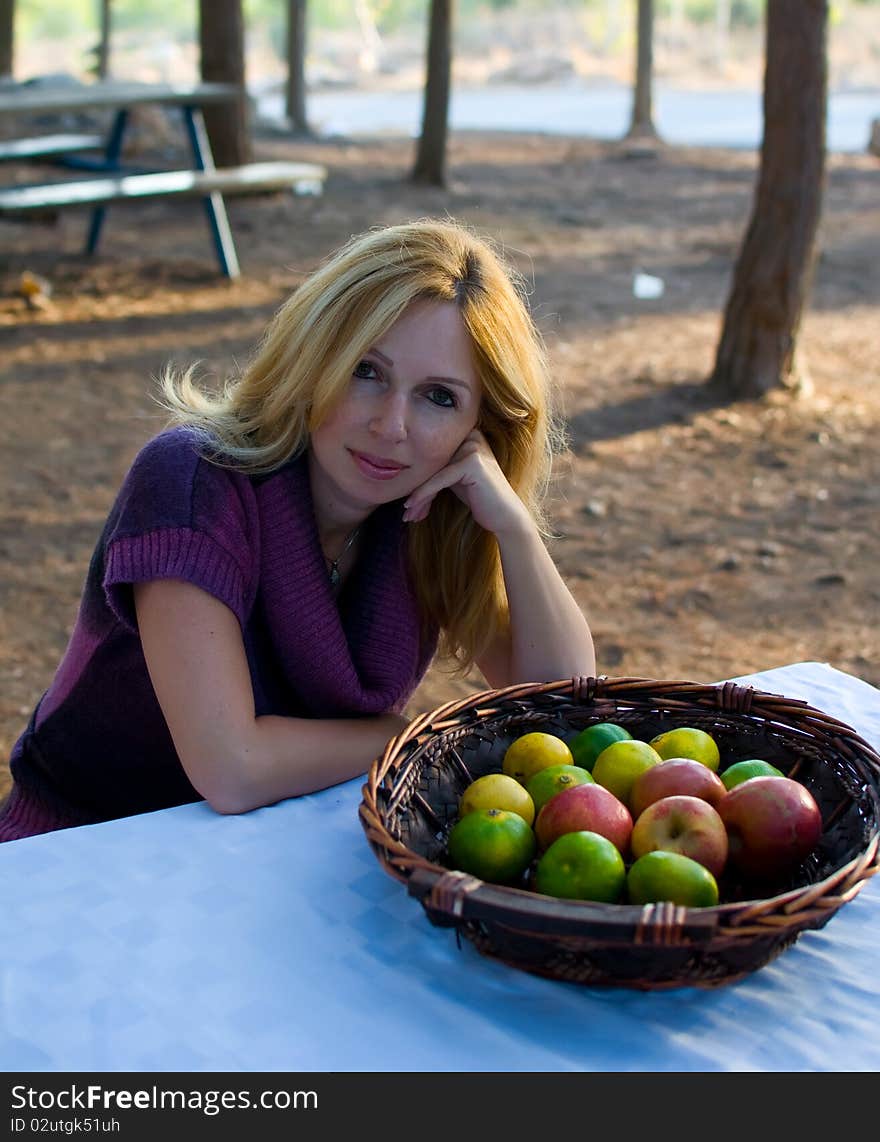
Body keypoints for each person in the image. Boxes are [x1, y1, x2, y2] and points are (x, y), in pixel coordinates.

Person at [0, 217, 595, 842]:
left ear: (480, 425)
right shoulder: (192, 479)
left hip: (280, 853)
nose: (391, 426)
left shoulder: (429, 512)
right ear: (315, 358)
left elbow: (566, 704)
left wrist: (514, 528)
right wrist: (401, 736)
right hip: (87, 851)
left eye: (439, 397)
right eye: (367, 371)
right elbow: (232, 767)